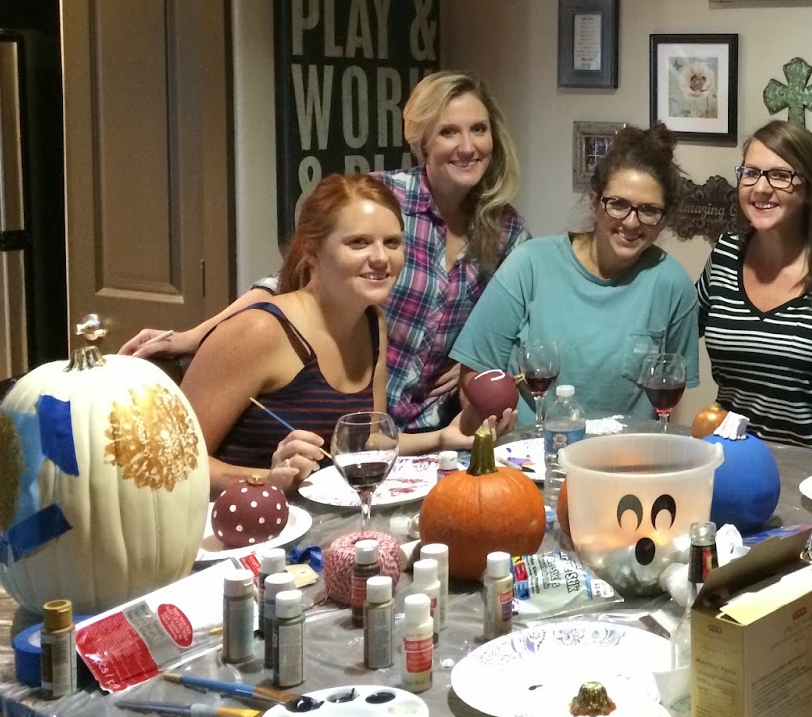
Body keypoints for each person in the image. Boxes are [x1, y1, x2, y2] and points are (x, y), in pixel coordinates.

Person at [120, 70, 528, 433]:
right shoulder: (381, 199)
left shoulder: (507, 232)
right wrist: (194, 337)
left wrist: (470, 361)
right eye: (449, 132)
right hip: (342, 423)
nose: (467, 146)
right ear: (422, 141)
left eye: (479, 129)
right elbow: (287, 281)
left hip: (429, 429)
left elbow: (514, 323)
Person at [183, 175, 501, 496]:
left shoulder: (372, 321)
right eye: (359, 242)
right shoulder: (261, 330)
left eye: (392, 242)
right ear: (312, 252)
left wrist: (441, 438)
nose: (381, 258)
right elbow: (174, 459)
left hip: (326, 518)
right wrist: (268, 479)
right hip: (246, 522)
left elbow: (370, 441)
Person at [452, 123, 699, 417]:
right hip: (528, 443)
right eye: (618, 204)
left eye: (649, 210)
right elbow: (474, 375)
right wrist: (495, 432)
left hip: (626, 447)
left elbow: (671, 400)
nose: (632, 222)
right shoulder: (530, 265)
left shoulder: (672, 285)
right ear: (594, 202)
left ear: (664, 218)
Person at [696, 121, 812, 448]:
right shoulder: (726, 254)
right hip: (731, 458)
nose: (761, 188)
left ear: (809, 188)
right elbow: (674, 332)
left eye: (780, 175)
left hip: (811, 466)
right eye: (750, 173)